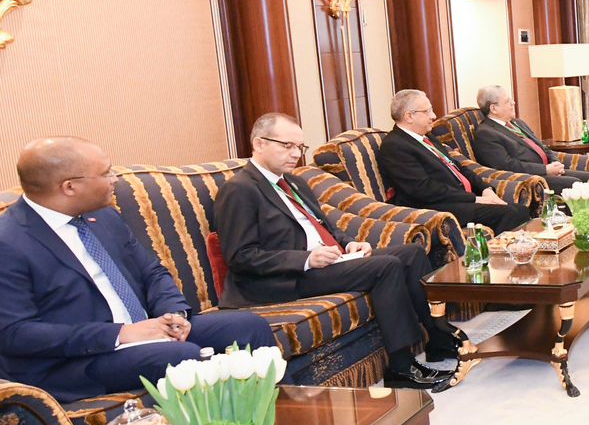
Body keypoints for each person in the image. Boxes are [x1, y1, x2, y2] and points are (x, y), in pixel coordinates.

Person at [0, 137, 276, 402]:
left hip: (146, 330)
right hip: (76, 361)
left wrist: (173, 313)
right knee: (182, 358)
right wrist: (121, 333)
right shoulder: (9, 241)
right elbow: (15, 334)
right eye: (106, 173)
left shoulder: (103, 216)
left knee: (249, 327)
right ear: (69, 187)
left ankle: (272, 422)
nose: (115, 179)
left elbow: (152, 272)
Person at [215, 114, 459, 391]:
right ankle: (402, 367)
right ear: (259, 143)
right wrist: (306, 259)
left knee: (412, 253)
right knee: (386, 267)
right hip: (285, 278)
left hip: (328, 261)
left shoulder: (293, 182)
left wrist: (350, 243)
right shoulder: (239, 189)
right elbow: (241, 256)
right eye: (287, 146)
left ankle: (439, 341)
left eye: (300, 147)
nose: (295, 154)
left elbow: (326, 226)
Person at [378, 89, 530, 234]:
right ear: (409, 116)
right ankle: (495, 252)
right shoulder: (395, 145)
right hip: (435, 207)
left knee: (520, 209)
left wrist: (485, 189)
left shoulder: (426, 136)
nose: (433, 116)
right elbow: (423, 189)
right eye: (427, 111)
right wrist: (476, 199)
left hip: (457, 198)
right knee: (509, 213)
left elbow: (457, 167)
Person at [471, 85, 589, 193]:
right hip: (530, 177)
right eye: (507, 102)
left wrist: (555, 163)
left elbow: (542, 147)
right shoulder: (486, 133)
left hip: (547, 170)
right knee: (575, 184)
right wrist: (545, 170)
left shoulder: (517, 123)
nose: (513, 103)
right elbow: (507, 165)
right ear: (493, 108)